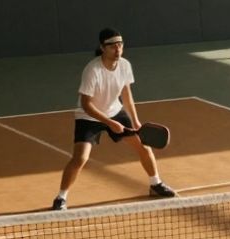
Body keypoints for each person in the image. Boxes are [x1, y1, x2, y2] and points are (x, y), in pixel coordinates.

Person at [52, 28, 175, 210]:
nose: (118, 49)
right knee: (80, 158)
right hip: (89, 116)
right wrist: (110, 123)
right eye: (112, 46)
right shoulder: (92, 70)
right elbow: (86, 104)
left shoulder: (124, 65)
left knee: (143, 145)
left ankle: (155, 184)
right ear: (102, 48)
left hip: (115, 111)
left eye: (120, 45)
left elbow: (126, 95)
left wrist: (136, 121)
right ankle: (61, 197)